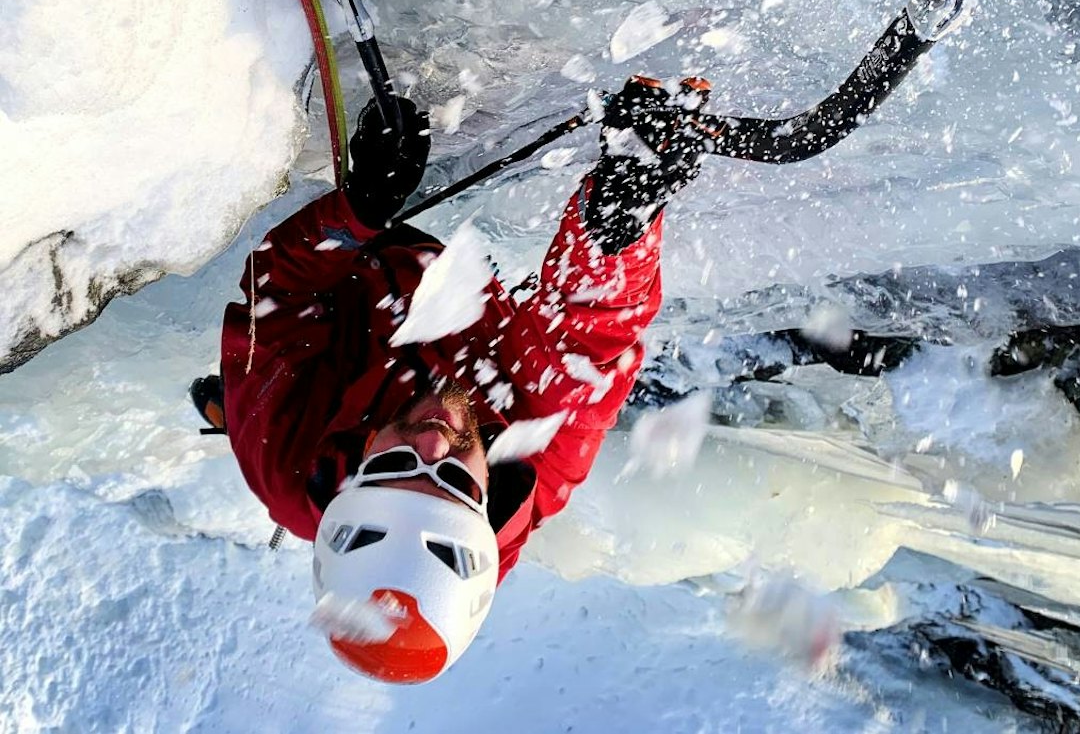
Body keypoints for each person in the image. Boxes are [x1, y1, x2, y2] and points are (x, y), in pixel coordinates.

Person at [194, 76, 713, 685]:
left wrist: (355, 214)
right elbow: (591, 334)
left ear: (351, 480)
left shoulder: (282, 459)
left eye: (393, 468)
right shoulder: (536, 461)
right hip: (462, 313)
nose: (434, 443)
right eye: (452, 481)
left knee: (247, 392)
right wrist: (619, 218)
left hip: (347, 294)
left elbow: (273, 293)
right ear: (486, 502)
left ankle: (228, 407)